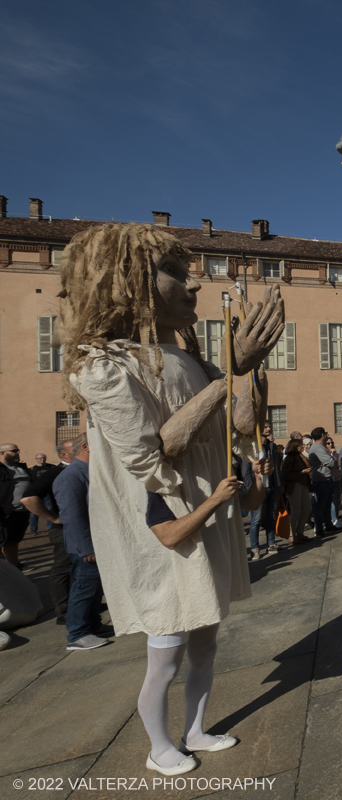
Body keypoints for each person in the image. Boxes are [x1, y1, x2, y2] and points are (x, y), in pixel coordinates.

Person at [57, 223, 279, 776]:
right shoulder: (102, 364)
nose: (192, 285)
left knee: (206, 643)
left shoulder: (188, 358)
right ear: (129, 283)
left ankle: (196, 728)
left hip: (210, 515)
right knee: (166, 653)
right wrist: (229, 375)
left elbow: (241, 423)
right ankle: (159, 747)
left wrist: (248, 371)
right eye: (175, 274)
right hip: (166, 522)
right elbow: (156, 452)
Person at [50, 432, 111, 650]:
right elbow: (72, 517)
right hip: (85, 546)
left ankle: (92, 624)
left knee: (94, 588)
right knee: (84, 587)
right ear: (86, 447)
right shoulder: (70, 476)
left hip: (96, 543)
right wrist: (86, 547)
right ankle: (77, 634)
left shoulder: (87, 472)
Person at [19, 440, 75, 624]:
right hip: (64, 530)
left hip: (81, 528)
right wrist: (53, 518)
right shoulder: (55, 472)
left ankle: (83, 604)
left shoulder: (83, 468)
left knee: (81, 569)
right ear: (63, 455)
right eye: (74, 448)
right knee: (63, 568)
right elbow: (28, 498)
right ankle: (64, 611)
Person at [247, 424, 282, 558]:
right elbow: (246, 469)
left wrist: (279, 484)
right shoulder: (251, 446)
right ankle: (255, 548)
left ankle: (271, 543)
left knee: (270, 516)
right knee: (256, 519)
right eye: (265, 426)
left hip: (273, 485)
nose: (268, 429)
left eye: (269, 426)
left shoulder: (272, 446)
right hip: (258, 488)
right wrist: (252, 487)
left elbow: (277, 466)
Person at [0, 444, 32, 569]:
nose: (18, 453)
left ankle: (14, 566)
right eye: (14, 451)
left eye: (18, 450)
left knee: (13, 540)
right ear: (2, 453)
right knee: (1, 539)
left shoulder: (22, 468)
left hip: (22, 511)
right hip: (5, 512)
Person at [280, 438, 313, 545]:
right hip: (294, 486)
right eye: (300, 445)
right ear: (294, 446)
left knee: (307, 508)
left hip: (303, 485)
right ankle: (292, 535)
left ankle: (300, 533)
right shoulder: (290, 458)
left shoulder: (300, 457)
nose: (302, 446)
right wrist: (301, 472)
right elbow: (285, 475)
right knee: (295, 511)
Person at [307, 427, 339, 535]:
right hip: (322, 480)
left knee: (326, 504)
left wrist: (329, 461)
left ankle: (328, 525)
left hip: (324, 478)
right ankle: (320, 528)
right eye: (325, 433)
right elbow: (332, 462)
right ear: (322, 435)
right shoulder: (318, 448)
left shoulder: (318, 447)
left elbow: (329, 462)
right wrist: (331, 460)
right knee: (321, 505)